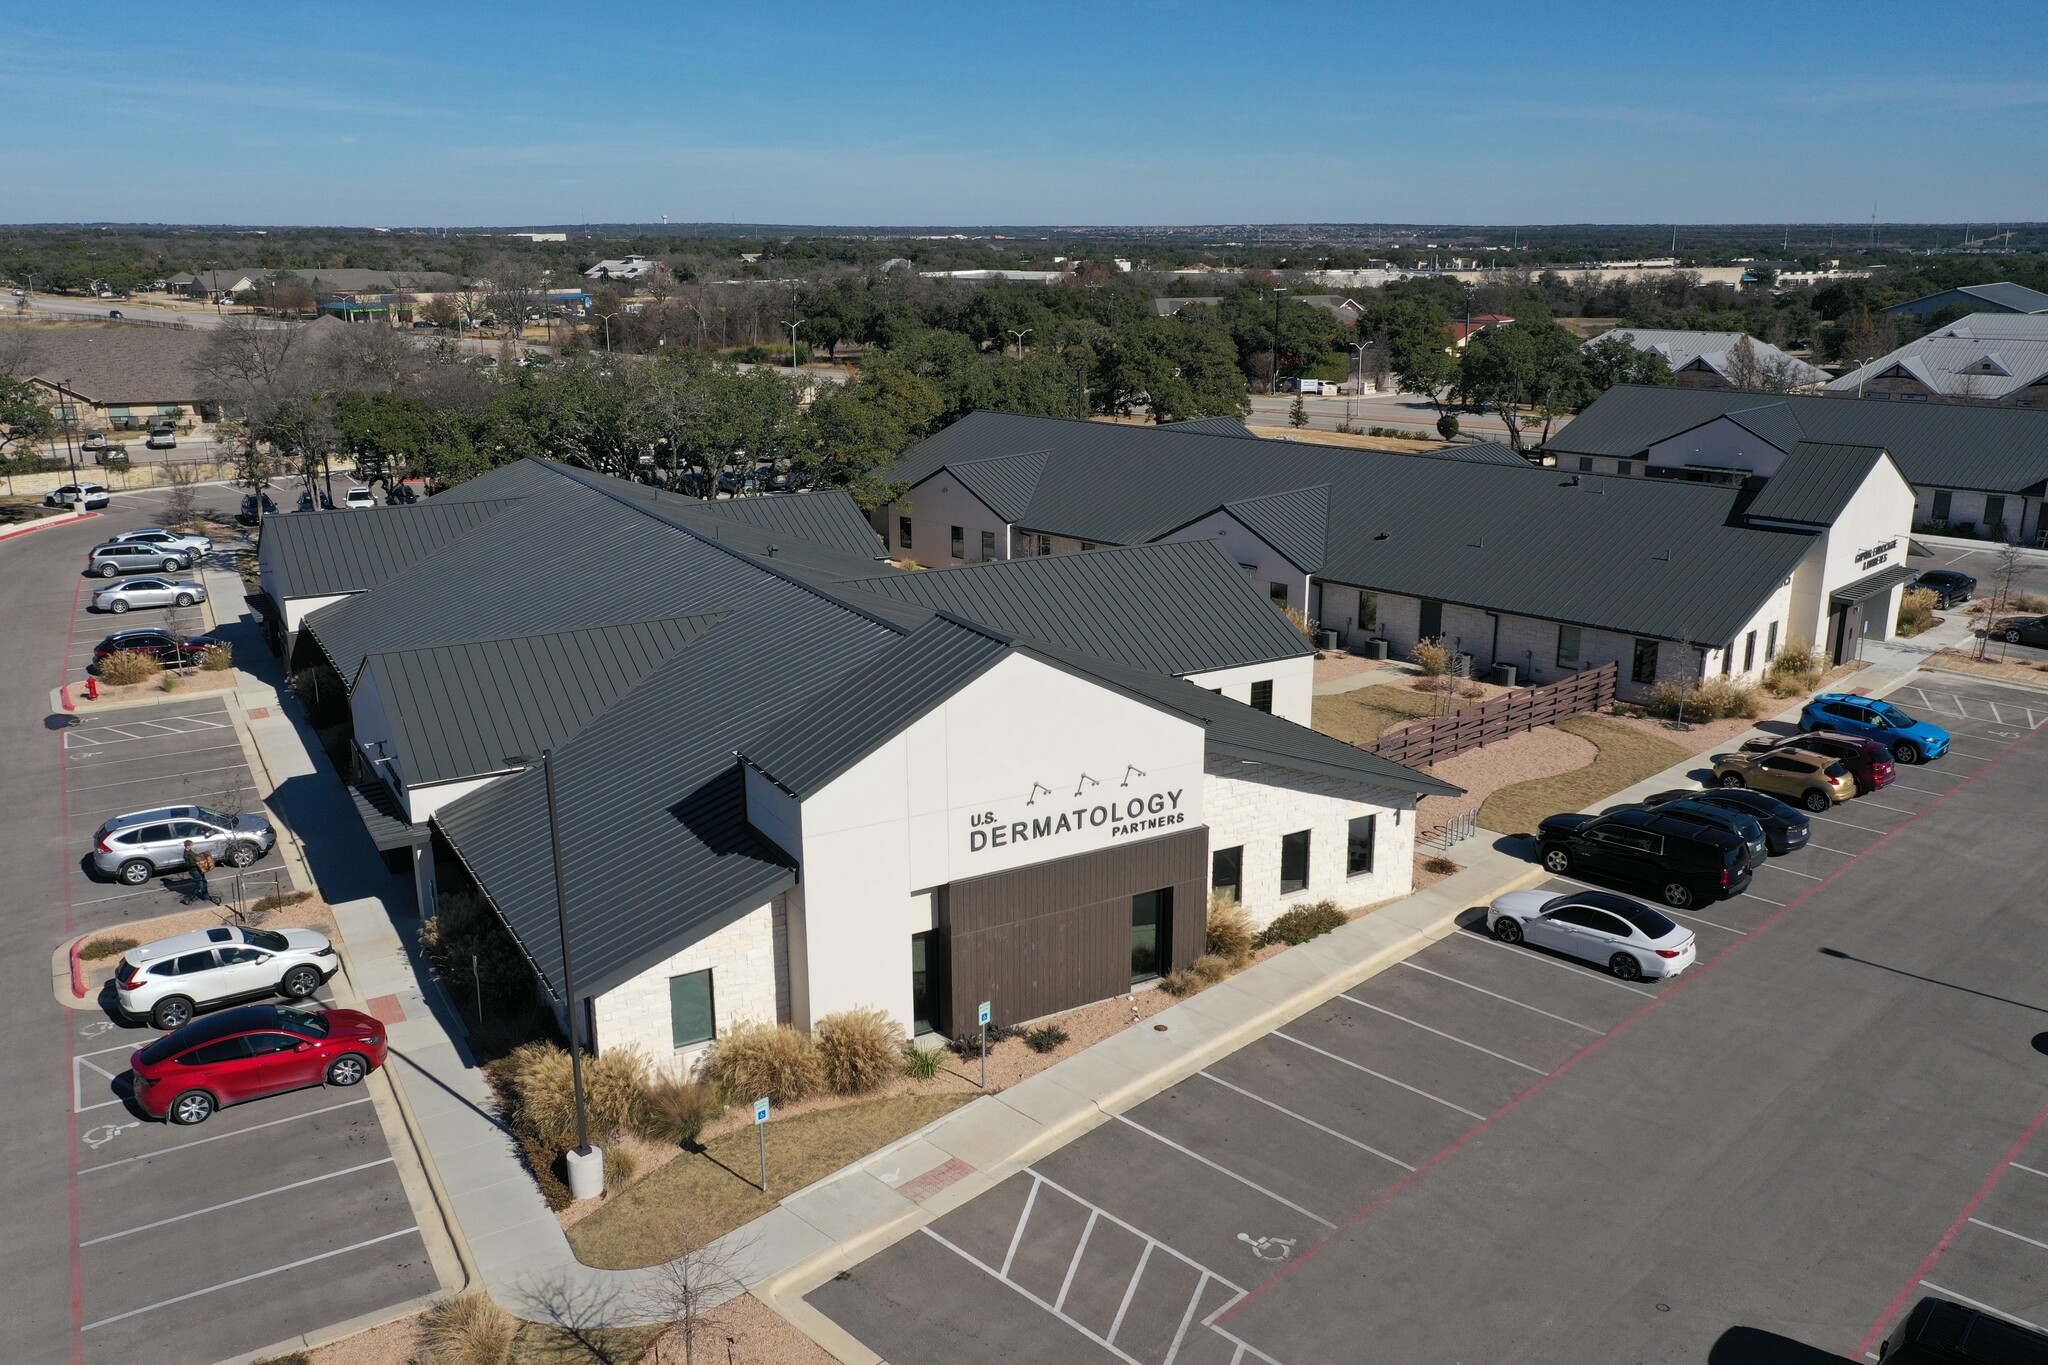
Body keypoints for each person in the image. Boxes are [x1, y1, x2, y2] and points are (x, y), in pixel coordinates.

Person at [179, 840, 215, 905]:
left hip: (199, 869)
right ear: (187, 846)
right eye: (191, 845)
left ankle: (206, 896)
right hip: (194, 871)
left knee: (204, 882)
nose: (192, 846)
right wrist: (198, 863)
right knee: (199, 885)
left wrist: (200, 856)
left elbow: (195, 856)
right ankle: (187, 898)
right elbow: (188, 864)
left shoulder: (190, 851)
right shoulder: (186, 854)